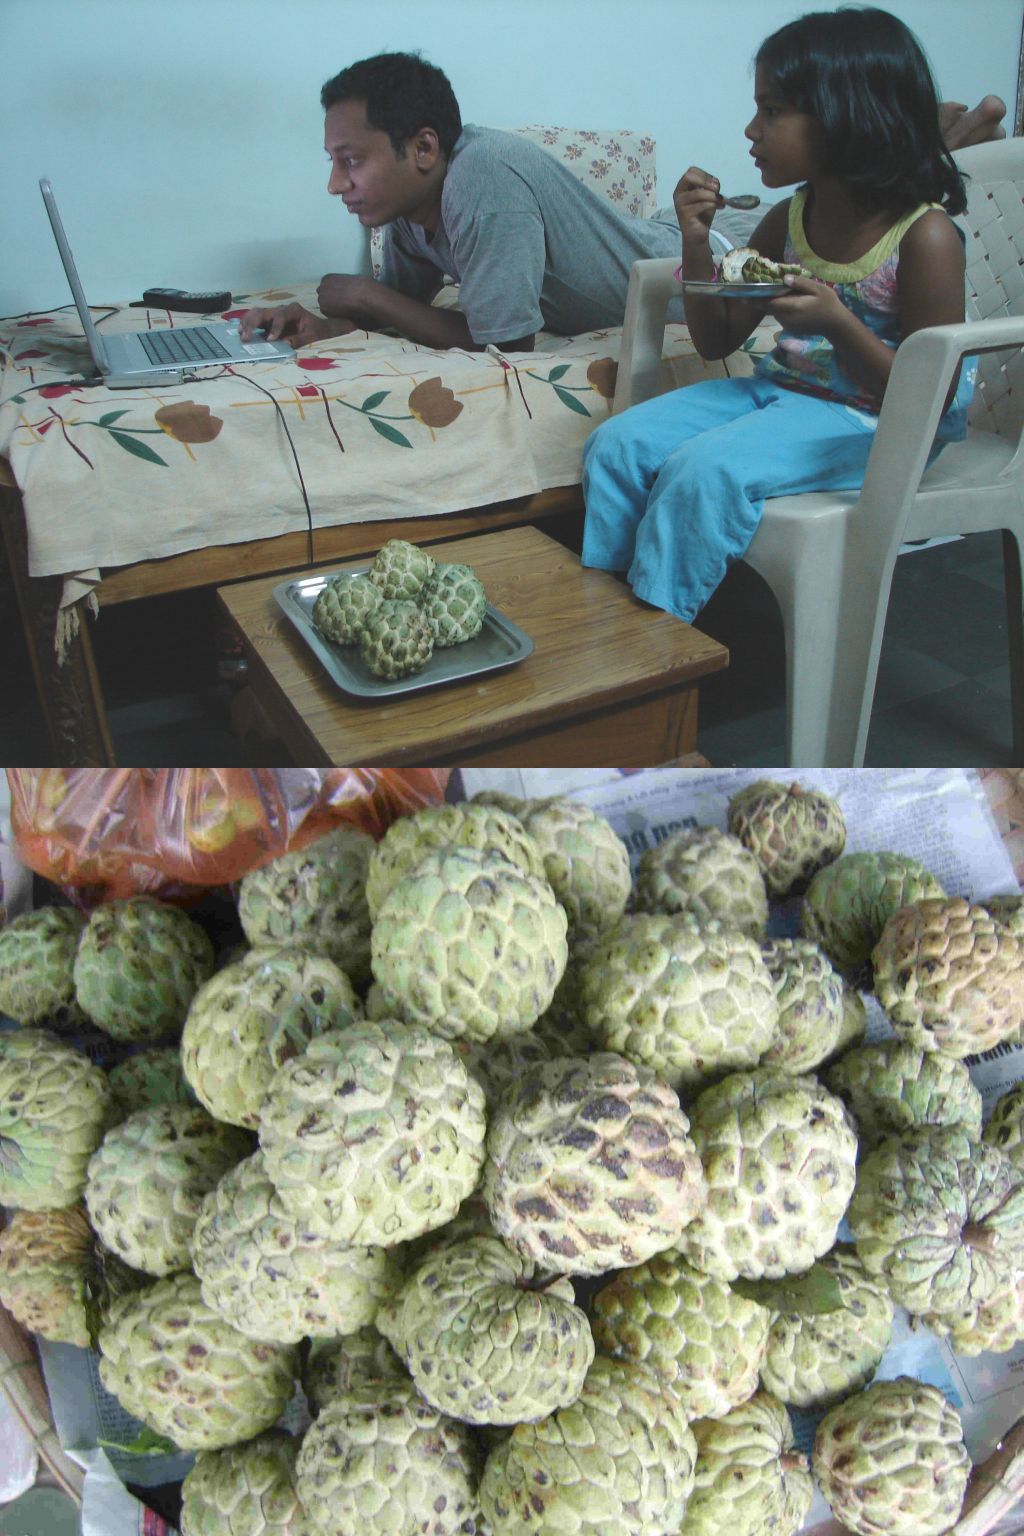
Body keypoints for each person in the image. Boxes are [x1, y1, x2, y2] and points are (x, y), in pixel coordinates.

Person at [580, 5, 979, 625]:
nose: (751, 130)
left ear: (846, 116)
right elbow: (716, 340)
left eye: (771, 111)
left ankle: (657, 634)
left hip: (881, 423)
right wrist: (694, 241)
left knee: (705, 471)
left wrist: (838, 323)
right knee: (617, 444)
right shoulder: (787, 219)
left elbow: (929, 397)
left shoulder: (923, 236)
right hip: (784, 392)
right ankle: (605, 611)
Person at [239, 47, 1005, 355]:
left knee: (868, 189)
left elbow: (501, 344)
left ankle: (951, 141)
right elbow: (405, 310)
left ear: (424, 148)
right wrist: (332, 321)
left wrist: (365, 292)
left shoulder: (480, 178)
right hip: (654, 233)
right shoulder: (412, 209)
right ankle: (940, 137)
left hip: (702, 247)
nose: (337, 183)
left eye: (350, 161)